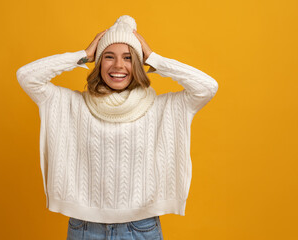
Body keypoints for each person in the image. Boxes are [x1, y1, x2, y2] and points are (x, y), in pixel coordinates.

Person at [16, 15, 218, 240]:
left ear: (139, 64)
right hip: (85, 228)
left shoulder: (162, 108)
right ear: (99, 62)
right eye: (108, 57)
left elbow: (207, 87)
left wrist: (153, 58)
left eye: (129, 58)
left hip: (141, 228)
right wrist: (83, 55)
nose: (118, 66)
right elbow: (27, 77)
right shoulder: (71, 104)